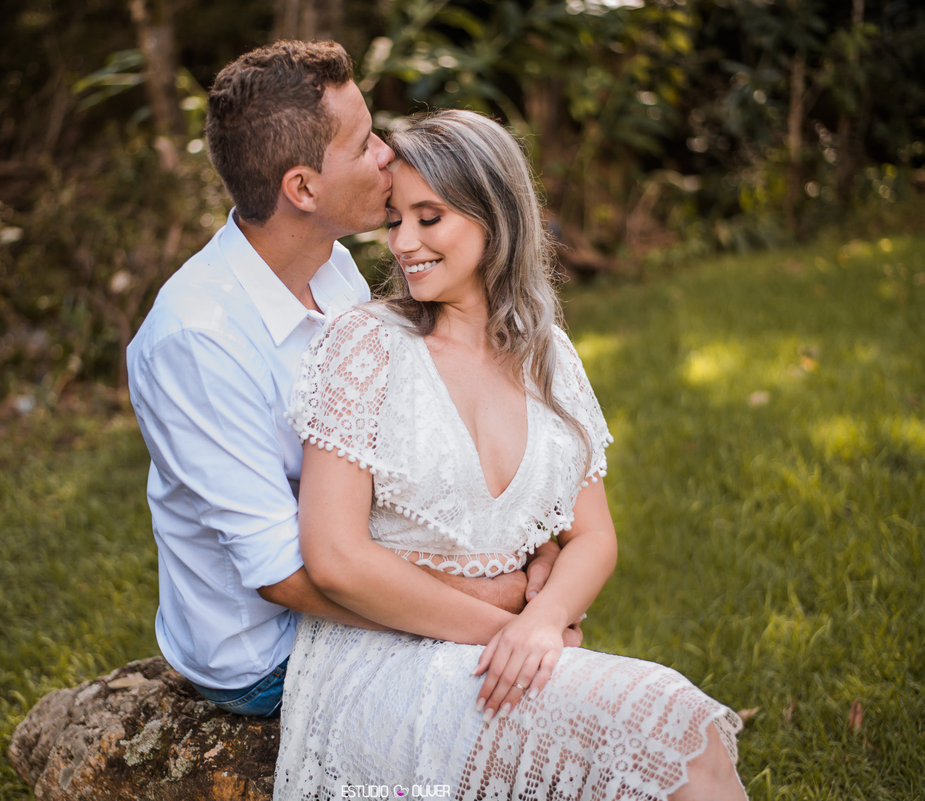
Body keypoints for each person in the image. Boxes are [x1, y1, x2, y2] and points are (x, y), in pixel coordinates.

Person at [274, 109, 747, 800]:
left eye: (429, 217)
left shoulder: (548, 353)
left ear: (495, 214)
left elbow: (592, 533)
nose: (404, 242)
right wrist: (516, 631)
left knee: (679, 737)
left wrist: (546, 619)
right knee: (672, 721)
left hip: (511, 649)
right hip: (383, 662)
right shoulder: (366, 346)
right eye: (395, 219)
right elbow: (335, 556)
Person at [126, 41, 556, 720]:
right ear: (302, 188)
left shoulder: (333, 270)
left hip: (367, 570)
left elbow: (417, 439)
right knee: (535, 702)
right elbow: (284, 576)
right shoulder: (196, 342)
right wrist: (495, 613)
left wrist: (530, 554)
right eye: (362, 145)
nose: (387, 153)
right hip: (271, 651)